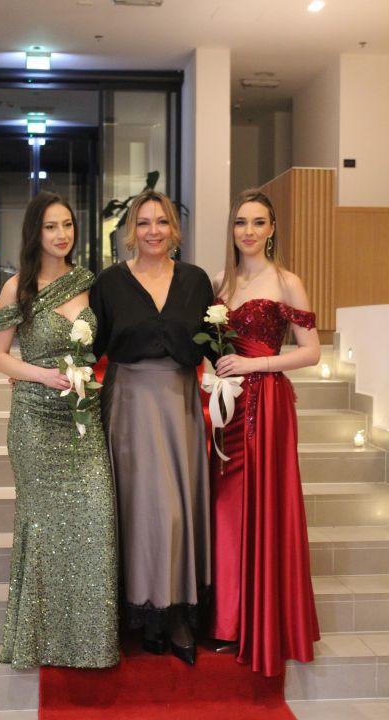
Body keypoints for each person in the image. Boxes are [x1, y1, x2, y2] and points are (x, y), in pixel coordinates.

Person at [0, 191, 119, 670]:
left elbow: (108, 343)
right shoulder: (17, 287)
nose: (61, 234)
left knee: (95, 523)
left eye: (67, 224)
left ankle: (91, 643)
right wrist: (40, 375)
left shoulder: (89, 283)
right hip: (35, 423)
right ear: (35, 233)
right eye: (50, 227)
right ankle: (40, 639)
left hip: (83, 421)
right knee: (45, 531)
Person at [90, 190, 212, 665]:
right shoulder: (110, 283)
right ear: (130, 232)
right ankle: (142, 612)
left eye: (161, 222)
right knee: (140, 508)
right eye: (143, 223)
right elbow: (89, 346)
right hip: (129, 406)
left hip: (180, 405)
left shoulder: (196, 281)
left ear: (174, 230)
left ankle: (177, 612)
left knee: (176, 509)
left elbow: (216, 344)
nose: (153, 231)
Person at [210, 189, 320, 677]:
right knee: (226, 509)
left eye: (258, 222)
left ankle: (262, 621)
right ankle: (228, 618)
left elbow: (311, 352)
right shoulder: (219, 282)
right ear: (231, 229)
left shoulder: (287, 281)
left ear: (272, 229)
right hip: (225, 406)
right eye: (241, 222)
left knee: (264, 505)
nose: (249, 231)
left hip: (267, 404)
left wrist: (258, 365)